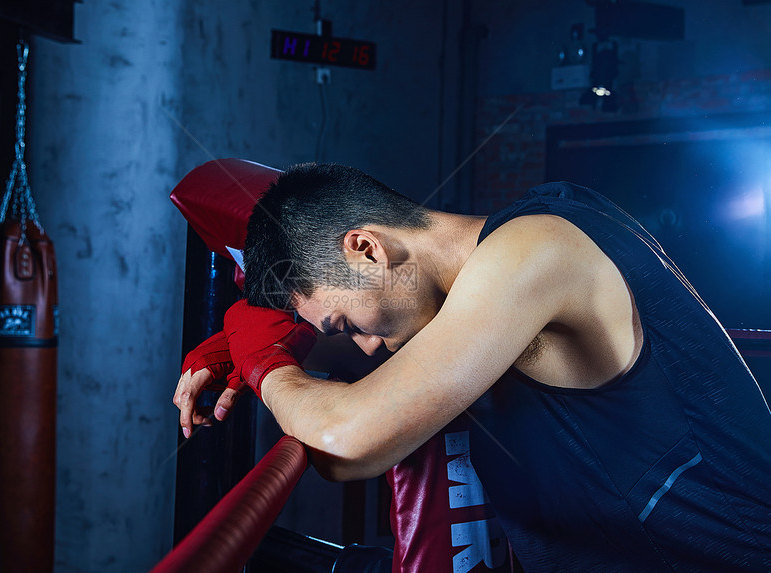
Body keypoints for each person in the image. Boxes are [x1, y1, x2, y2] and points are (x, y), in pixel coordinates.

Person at [174, 163, 771, 571]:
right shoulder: (486, 277)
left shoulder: (535, 253)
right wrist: (236, 338)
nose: (365, 346)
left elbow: (346, 442)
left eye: (346, 323)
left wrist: (262, 362)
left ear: (366, 247)